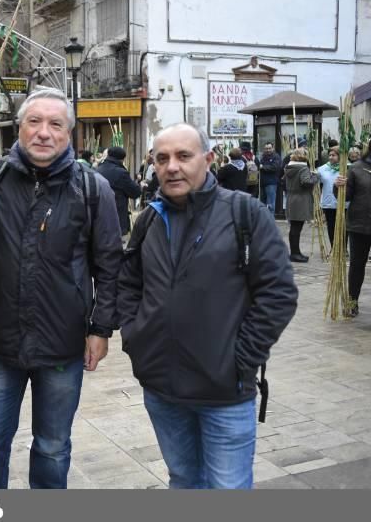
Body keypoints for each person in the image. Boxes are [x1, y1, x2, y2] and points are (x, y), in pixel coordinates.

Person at [0, 88, 123, 489]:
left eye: (55, 124)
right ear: (19, 129)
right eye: (34, 122)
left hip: (64, 344)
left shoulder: (94, 189)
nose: (44, 133)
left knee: (53, 445)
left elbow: (110, 265)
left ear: (69, 135)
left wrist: (100, 328)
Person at [118, 123, 297, 489]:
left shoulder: (245, 213)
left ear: (208, 159)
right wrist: (137, 339)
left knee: (227, 489)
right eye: (162, 158)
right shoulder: (149, 218)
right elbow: (129, 282)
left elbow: (278, 293)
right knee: (183, 481)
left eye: (184, 156)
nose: (172, 167)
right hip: (162, 388)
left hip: (224, 394)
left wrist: (240, 360)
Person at [335, 147, 371, 317]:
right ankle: (352, 302)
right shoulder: (356, 168)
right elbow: (345, 196)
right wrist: (339, 187)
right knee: (357, 265)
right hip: (360, 225)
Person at [284, 148, 319, 263]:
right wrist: (315, 177)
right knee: (296, 228)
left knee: (294, 228)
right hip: (300, 200)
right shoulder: (303, 168)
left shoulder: (289, 167)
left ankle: (295, 252)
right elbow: (306, 182)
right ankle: (295, 254)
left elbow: (283, 181)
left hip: (291, 198)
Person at [97, 146, 141, 235]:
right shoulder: (121, 172)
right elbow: (135, 192)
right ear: (122, 159)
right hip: (116, 215)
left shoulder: (98, 169)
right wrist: (140, 186)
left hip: (99, 215)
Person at [317, 146, 342, 246]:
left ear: (340, 156)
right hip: (329, 203)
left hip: (343, 203)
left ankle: (343, 249)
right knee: (331, 226)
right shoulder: (322, 169)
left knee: (342, 227)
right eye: (330, 155)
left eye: (334, 155)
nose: (331, 157)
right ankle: (333, 247)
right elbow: (316, 183)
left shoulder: (347, 168)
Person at [259, 142, 282, 212]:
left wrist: (263, 167)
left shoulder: (276, 157)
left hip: (271, 183)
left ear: (273, 148)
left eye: (269, 148)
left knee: (270, 203)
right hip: (262, 183)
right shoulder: (263, 156)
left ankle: (270, 220)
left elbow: (275, 167)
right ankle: (263, 220)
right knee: (262, 203)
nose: (268, 150)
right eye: (266, 148)